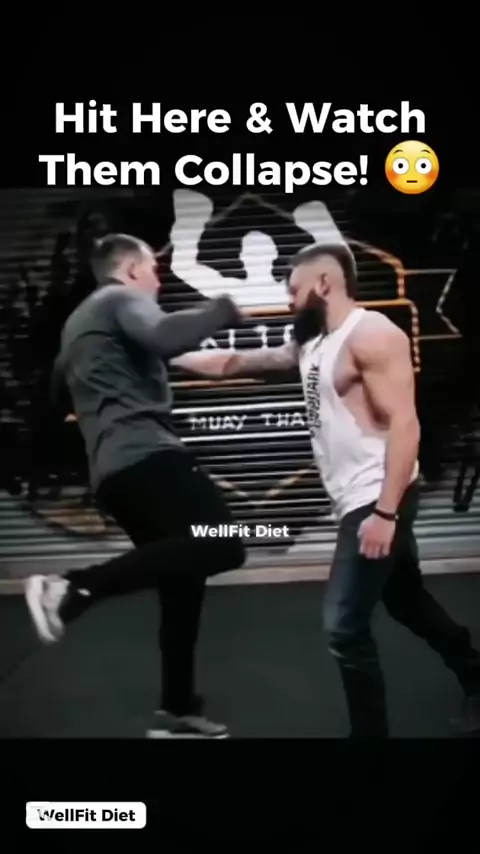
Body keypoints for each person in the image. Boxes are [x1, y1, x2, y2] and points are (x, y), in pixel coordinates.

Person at [171, 242, 480, 738]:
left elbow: (406, 425)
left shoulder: (372, 333)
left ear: (324, 283)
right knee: (407, 602)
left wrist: (385, 514)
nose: (289, 300)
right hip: (358, 499)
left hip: (376, 495)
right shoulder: (312, 344)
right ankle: (475, 675)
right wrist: (164, 350)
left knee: (343, 626)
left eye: (294, 290)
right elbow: (235, 362)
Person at [24, 233, 246, 739]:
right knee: (225, 543)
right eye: (153, 270)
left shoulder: (80, 327)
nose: (158, 281)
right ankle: (72, 586)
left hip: (113, 473)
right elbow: (168, 336)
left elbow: (55, 396)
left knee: (182, 583)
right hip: (150, 458)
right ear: (129, 271)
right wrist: (223, 308)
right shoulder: (120, 300)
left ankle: (177, 709)